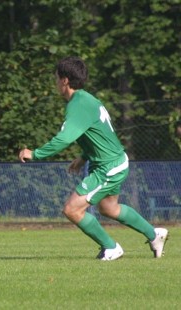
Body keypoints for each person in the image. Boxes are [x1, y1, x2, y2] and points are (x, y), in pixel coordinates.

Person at [18, 56, 169, 260]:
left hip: (108, 166)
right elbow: (98, 135)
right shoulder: (85, 100)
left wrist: (34, 153)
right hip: (112, 162)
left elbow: (64, 139)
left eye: (56, 78)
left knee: (72, 209)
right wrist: (83, 157)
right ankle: (154, 234)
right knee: (109, 208)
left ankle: (111, 247)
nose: (55, 83)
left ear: (64, 80)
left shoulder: (78, 104)